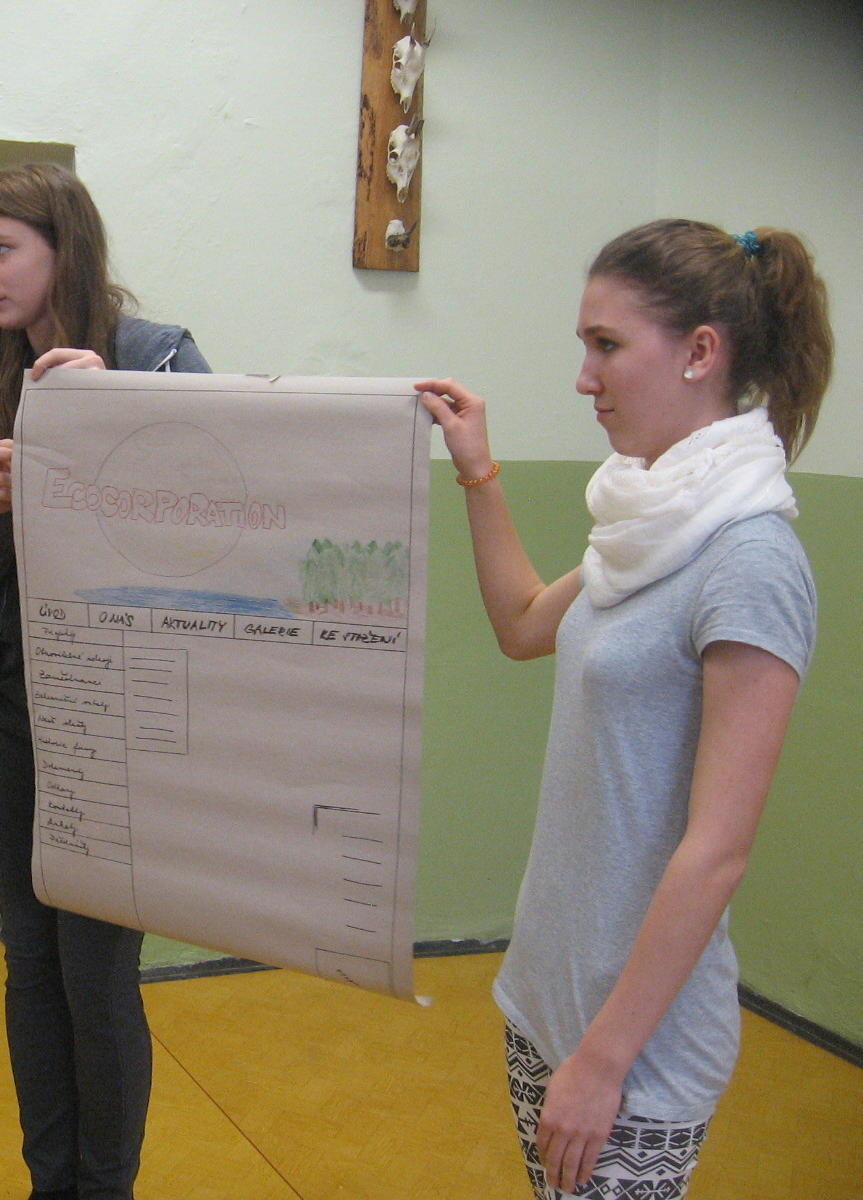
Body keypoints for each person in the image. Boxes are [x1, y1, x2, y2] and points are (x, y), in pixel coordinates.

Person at [418, 219, 831, 1199]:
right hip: (550, 997)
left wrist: (604, 1061)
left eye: (605, 345)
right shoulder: (644, 527)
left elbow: (717, 850)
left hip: (635, 1048)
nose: (583, 377)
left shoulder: (749, 559)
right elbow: (524, 624)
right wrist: (476, 468)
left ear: (699, 352)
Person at [0, 163, 209, 1200]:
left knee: (96, 974)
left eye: (0, 249)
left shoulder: (161, 359)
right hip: (7, 723)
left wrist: (119, 416)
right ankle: (50, 1183)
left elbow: (217, 533)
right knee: (30, 963)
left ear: (65, 247)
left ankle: (106, 1188)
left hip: (121, 721)